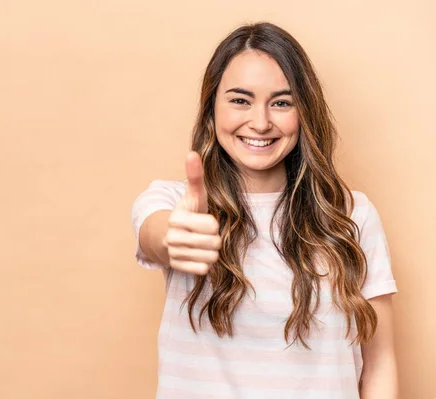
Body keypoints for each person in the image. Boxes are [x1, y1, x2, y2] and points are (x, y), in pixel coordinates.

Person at [130, 22, 398, 399]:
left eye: (282, 102)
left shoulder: (353, 216)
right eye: (240, 100)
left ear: (304, 112)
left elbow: (380, 362)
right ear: (211, 109)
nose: (260, 122)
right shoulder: (173, 203)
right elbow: (156, 233)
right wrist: (174, 237)